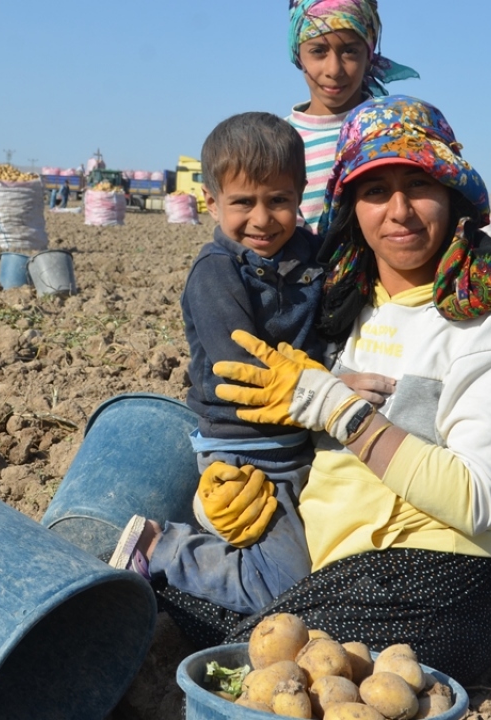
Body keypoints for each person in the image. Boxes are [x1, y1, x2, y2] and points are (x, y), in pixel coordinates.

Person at [147, 96, 491, 685]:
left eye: (420, 184)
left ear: (453, 193)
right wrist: (221, 502)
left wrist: (338, 406)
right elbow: (270, 415)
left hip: (426, 576)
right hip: (322, 567)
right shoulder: (339, 300)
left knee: (264, 666)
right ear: (350, 206)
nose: (399, 211)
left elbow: (479, 499)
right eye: (376, 190)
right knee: (178, 618)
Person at [108, 112, 337, 616]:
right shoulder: (215, 274)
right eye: (243, 203)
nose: (262, 218)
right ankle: (160, 548)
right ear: (211, 202)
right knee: (284, 588)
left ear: (301, 195)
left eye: (278, 200)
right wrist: (330, 385)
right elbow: (241, 370)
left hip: (302, 437)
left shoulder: (312, 255)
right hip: (247, 449)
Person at [287, 0, 418, 231]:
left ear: (369, 56)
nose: (334, 70)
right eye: (318, 51)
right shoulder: (278, 141)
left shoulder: (395, 130)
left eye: (350, 51)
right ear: (297, 55)